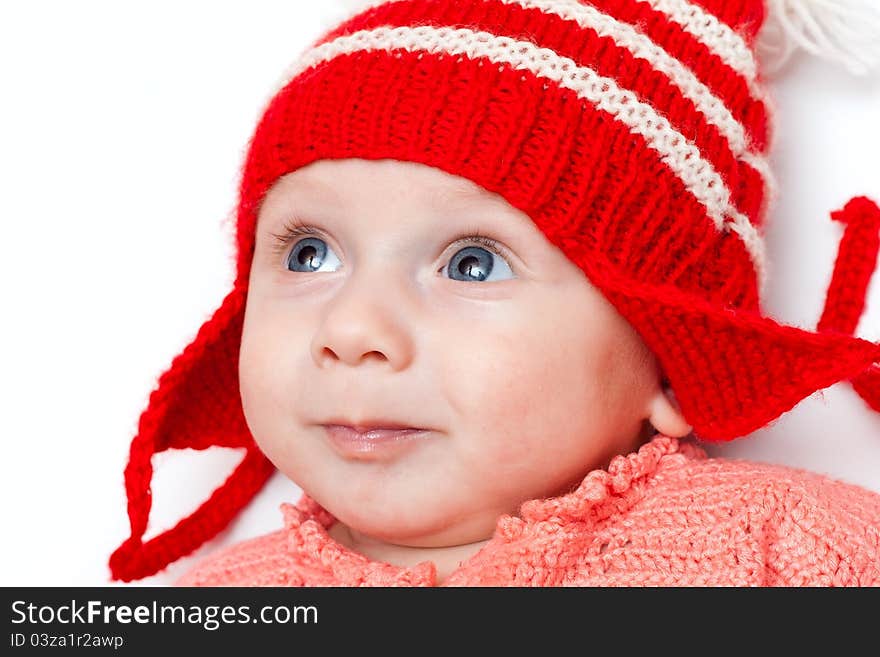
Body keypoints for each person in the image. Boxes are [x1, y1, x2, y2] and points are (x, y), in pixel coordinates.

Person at [109, 0, 880, 586]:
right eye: (310, 254)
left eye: (473, 263)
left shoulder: (787, 547)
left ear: (670, 361)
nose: (351, 327)